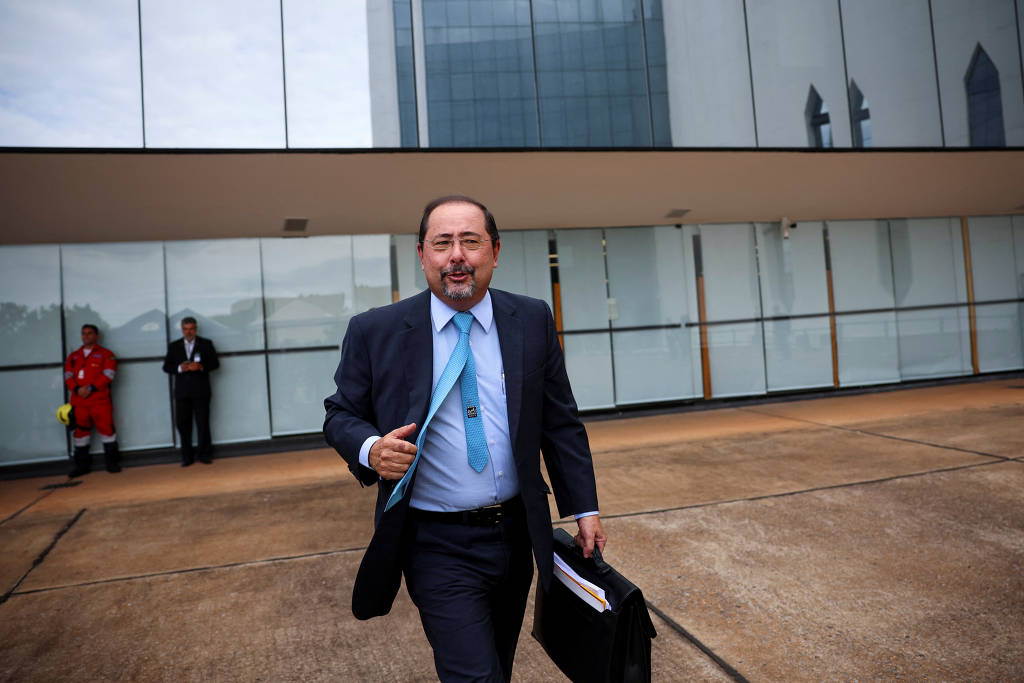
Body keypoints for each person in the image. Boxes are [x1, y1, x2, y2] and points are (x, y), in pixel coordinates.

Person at [324, 195, 606, 682]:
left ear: (495, 251)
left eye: (470, 242)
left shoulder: (531, 319)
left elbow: (559, 422)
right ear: (422, 255)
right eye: (443, 243)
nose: (456, 255)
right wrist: (372, 450)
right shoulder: (376, 330)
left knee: (497, 665)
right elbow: (340, 414)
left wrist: (584, 509)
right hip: (434, 543)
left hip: (516, 535)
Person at [162, 317, 220, 466]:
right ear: (182, 330)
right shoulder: (174, 346)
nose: (189, 332)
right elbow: (166, 367)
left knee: (203, 423)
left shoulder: (206, 343)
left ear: (196, 329)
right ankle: (187, 457)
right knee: (183, 424)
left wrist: (201, 367)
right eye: (186, 329)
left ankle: (204, 454)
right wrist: (180, 368)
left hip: (201, 390)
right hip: (182, 392)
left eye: (191, 329)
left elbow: (215, 363)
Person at [64, 324, 120, 476]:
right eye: (83, 333)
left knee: (107, 432)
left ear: (96, 336)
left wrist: (90, 388)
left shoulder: (106, 354)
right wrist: (77, 389)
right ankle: (81, 467)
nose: (86, 336)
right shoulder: (73, 356)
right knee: (80, 435)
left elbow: (108, 375)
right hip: (79, 403)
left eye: (89, 333)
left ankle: (112, 464)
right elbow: (68, 376)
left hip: (100, 401)